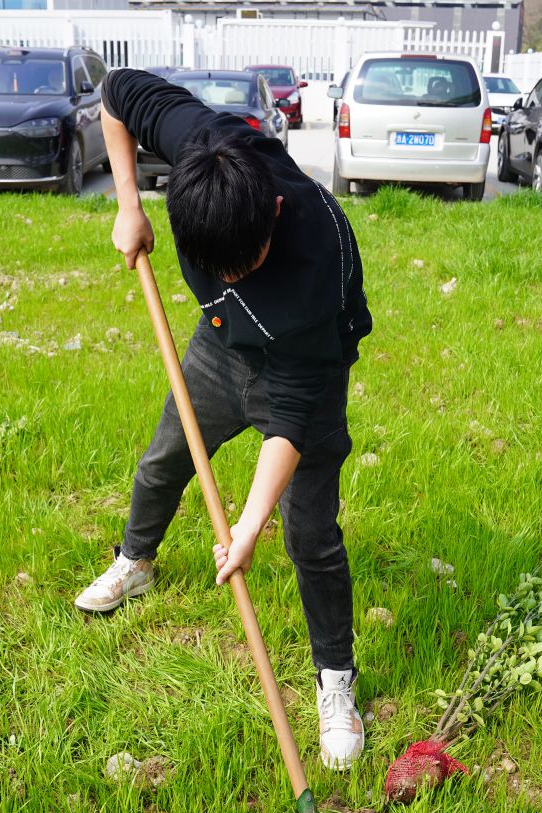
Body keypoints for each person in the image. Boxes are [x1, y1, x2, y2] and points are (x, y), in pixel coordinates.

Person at [74, 68, 373, 770]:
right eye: (217, 268)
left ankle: (335, 678)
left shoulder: (314, 261)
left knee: (309, 534)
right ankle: (136, 561)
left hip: (304, 368)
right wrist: (128, 205)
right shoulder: (201, 145)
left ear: (273, 211)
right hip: (221, 348)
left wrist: (247, 526)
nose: (229, 277)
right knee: (164, 460)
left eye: (245, 265)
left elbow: (290, 417)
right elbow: (116, 94)